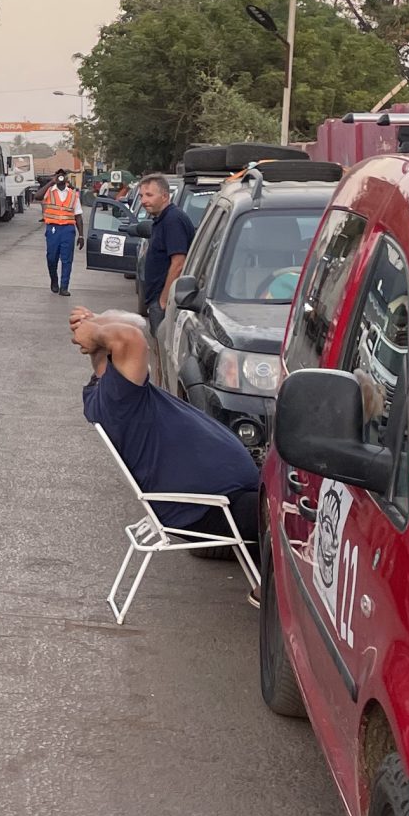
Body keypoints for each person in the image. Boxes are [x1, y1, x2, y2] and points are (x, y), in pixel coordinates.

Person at [71, 305, 263, 569]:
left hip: (225, 498)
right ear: (113, 352)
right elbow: (131, 340)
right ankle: (269, 593)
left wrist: (95, 326)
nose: (145, 357)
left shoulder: (121, 394)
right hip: (210, 509)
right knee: (295, 517)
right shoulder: (118, 399)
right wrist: (94, 330)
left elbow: (127, 339)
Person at [136, 173, 195, 327]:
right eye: (141, 196)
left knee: (163, 348)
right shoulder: (161, 219)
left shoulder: (173, 220)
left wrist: (163, 301)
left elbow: (178, 264)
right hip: (157, 300)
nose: (143, 201)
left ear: (164, 196)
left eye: (149, 195)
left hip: (165, 302)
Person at [40, 169, 81, 296]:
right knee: (51, 258)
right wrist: (51, 182)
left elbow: (78, 216)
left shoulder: (73, 194)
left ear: (66, 178)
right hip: (53, 229)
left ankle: (64, 287)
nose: (61, 178)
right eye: (58, 176)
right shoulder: (49, 191)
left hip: (68, 229)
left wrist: (82, 235)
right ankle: (54, 280)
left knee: (67, 260)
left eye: (63, 176)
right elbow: (37, 196)